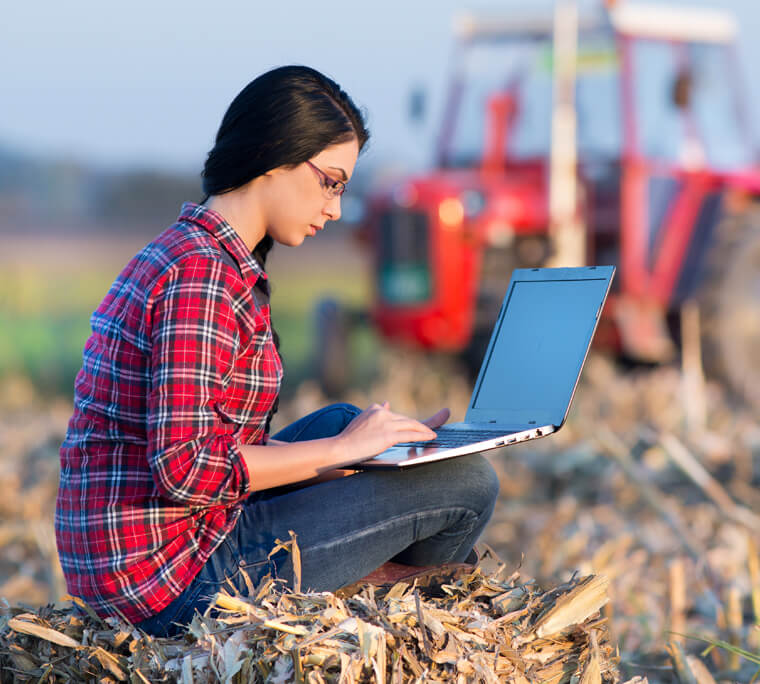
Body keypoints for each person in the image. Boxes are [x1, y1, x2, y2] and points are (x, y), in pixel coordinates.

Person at [55, 65, 499, 637]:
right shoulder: (202, 277)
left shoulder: (201, 254)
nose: (336, 208)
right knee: (467, 485)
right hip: (170, 581)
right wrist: (341, 451)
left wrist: (356, 448)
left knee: (356, 427)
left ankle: (369, 600)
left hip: (169, 543)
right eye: (330, 182)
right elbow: (186, 471)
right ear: (276, 156)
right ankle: (387, 620)